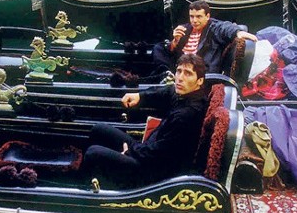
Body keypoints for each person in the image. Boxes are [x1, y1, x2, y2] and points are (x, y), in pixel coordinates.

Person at [82, 53, 207, 188]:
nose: (180, 78)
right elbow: (166, 91)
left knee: (93, 153)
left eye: (188, 73)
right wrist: (140, 96)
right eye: (179, 71)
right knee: (98, 129)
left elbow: (160, 153)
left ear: (199, 81)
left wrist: (130, 151)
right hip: (148, 150)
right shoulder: (187, 93)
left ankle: (83, 191)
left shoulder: (186, 115)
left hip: (152, 172)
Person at [153, 0, 257, 74]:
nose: (194, 21)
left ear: (207, 16)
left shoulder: (214, 27)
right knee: (158, 47)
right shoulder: (184, 29)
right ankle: (166, 74)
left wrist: (237, 32)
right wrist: (175, 41)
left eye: (198, 16)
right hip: (180, 67)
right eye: (192, 16)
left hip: (202, 71)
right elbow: (172, 51)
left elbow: (224, 27)